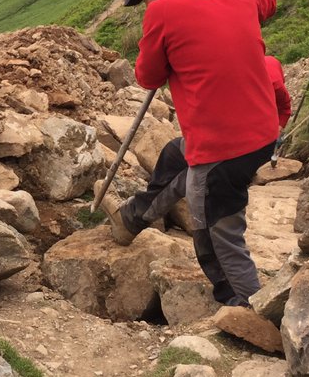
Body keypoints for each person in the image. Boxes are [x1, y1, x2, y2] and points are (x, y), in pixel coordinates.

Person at [110, 0, 279, 309]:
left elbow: (147, 76)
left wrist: (163, 30)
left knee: (215, 232)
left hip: (222, 146)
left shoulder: (164, 11)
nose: (147, 6)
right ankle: (135, 216)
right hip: (262, 133)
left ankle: (248, 309)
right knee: (175, 155)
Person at [100, 54, 290, 244]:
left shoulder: (270, 82)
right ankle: (133, 217)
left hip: (247, 141)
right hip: (224, 131)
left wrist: (276, 130)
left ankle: (132, 221)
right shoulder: (229, 75)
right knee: (174, 153)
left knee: (194, 176)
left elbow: (284, 107)